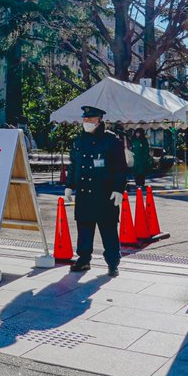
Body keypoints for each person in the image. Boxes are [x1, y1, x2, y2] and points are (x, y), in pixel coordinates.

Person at [64, 106, 127, 277]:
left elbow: (121, 168)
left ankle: (113, 263)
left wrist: (118, 190)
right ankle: (84, 259)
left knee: (108, 230)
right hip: (84, 194)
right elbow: (73, 165)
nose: (87, 122)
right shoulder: (79, 140)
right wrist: (69, 185)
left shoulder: (111, 140)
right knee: (84, 228)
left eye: (90, 120)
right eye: (85, 119)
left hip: (105, 193)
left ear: (99, 120)